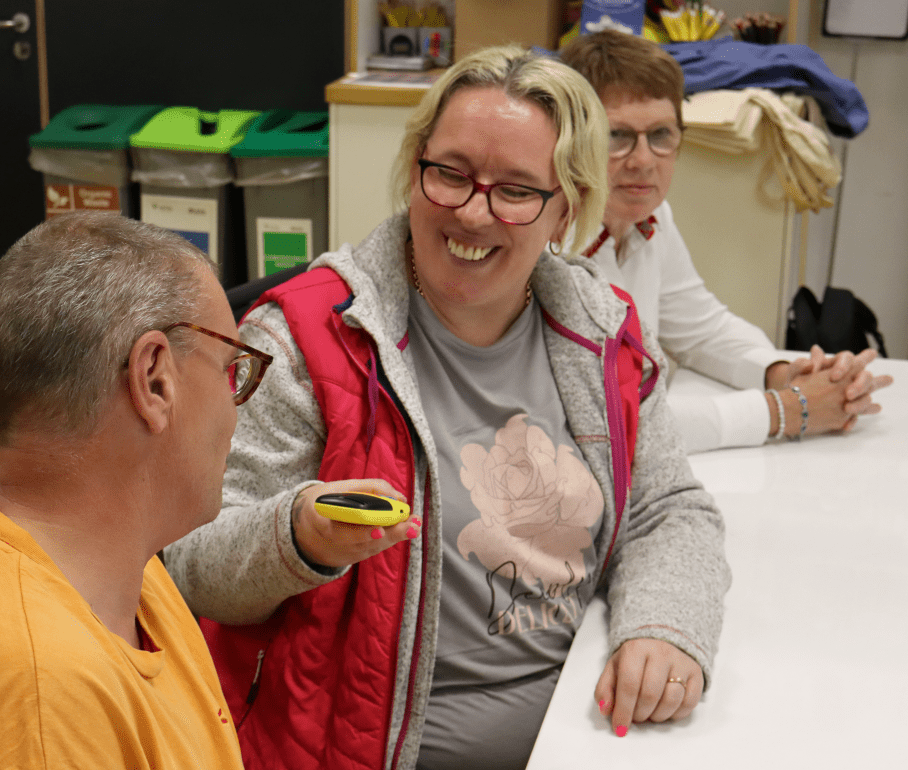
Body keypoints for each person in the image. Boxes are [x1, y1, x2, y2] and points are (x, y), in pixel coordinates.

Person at [164, 45, 729, 770]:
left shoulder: (600, 330)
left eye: (516, 190)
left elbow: (668, 509)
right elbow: (189, 565)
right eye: (451, 174)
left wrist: (663, 628)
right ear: (414, 170)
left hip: (585, 736)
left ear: (566, 209)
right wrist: (297, 538)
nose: (473, 211)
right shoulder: (300, 340)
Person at [0, 213, 273, 768]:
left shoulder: (129, 578)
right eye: (230, 371)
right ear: (154, 379)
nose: (236, 415)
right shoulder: (38, 699)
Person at [559, 30, 893, 454]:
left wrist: (790, 373)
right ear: (573, 141)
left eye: (661, 135)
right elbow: (605, 425)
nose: (643, 161)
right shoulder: (552, 246)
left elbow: (703, 331)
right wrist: (786, 410)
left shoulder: (650, 217)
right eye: (616, 136)